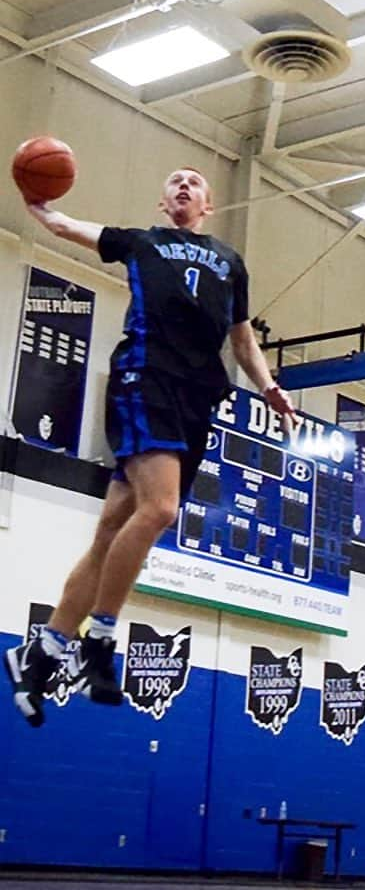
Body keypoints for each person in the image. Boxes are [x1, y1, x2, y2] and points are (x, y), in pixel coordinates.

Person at [4, 168, 294, 727]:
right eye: (175, 181)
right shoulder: (142, 242)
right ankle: (99, 644)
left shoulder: (229, 261)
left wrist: (269, 386)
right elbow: (67, 226)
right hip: (147, 375)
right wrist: (38, 202)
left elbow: (242, 338)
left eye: (195, 181)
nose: (185, 185)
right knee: (160, 509)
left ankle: (42, 651)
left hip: (199, 393)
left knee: (115, 524)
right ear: (164, 201)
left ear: (208, 205)